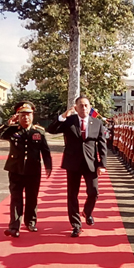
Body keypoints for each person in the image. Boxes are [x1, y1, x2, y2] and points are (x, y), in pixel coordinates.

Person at [47, 96, 107, 238]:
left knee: (93, 192)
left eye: (86, 105)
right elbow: (51, 130)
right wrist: (62, 116)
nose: (83, 108)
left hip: (90, 163)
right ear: (75, 107)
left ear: (90, 106)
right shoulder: (69, 122)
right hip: (73, 163)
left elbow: (102, 144)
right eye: (80, 105)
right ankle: (76, 225)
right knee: (72, 195)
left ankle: (87, 211)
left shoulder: (97, 123)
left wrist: (102, 164)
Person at [0, 101, 52, 237]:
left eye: (28, 115)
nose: (25, 118)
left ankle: (31, 222)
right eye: (22, 115)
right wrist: (8, 123)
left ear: (33, 116)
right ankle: (14, 226)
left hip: (33, 170)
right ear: (18, 116)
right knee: (16, 198)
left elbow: (45, 150)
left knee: (32, 197)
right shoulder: (12, 130)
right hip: (15, 169)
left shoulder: (38, 131)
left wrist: (48, 166)